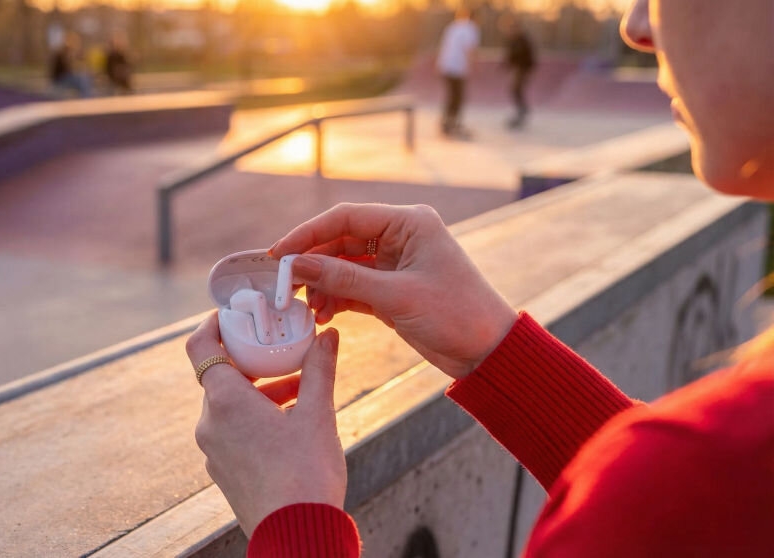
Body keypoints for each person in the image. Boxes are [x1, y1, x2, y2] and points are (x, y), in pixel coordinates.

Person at [186, 0, 774, 556]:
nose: (636, 24)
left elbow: (680, 509)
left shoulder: (713, 477)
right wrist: (495, 350)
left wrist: (293, 522)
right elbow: (677, 521)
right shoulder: (722, 475)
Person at [436, 8, 480, 138]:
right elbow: (469, 50)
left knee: (451, 96)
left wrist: (438, 64)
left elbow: (444, 46)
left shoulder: (453, 26)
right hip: (458, 67)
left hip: (445, 65)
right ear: (475, 18)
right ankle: (452, 123)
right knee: (458, 97)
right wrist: (473, 67)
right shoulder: (471, 28)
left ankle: (447, 122)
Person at [501, 14, 535, 129]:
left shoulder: (522, 40)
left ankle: (522, 111)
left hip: (523, 68)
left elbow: (518, 55)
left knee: (516, 89)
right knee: (515, 90)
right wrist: (505, 64)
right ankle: (521, 111)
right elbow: (511, 56)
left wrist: (508, 64)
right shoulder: (514, 40)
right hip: (520, 68)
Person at [49, 33, 91, 97]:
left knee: (85, 77)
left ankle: (86, 97)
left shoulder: (76, 53)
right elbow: (68, 68)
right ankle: (86, 98)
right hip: (61, 78)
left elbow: (82, 65)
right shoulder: (62, 53)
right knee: (82, 79)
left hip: (70, 77)